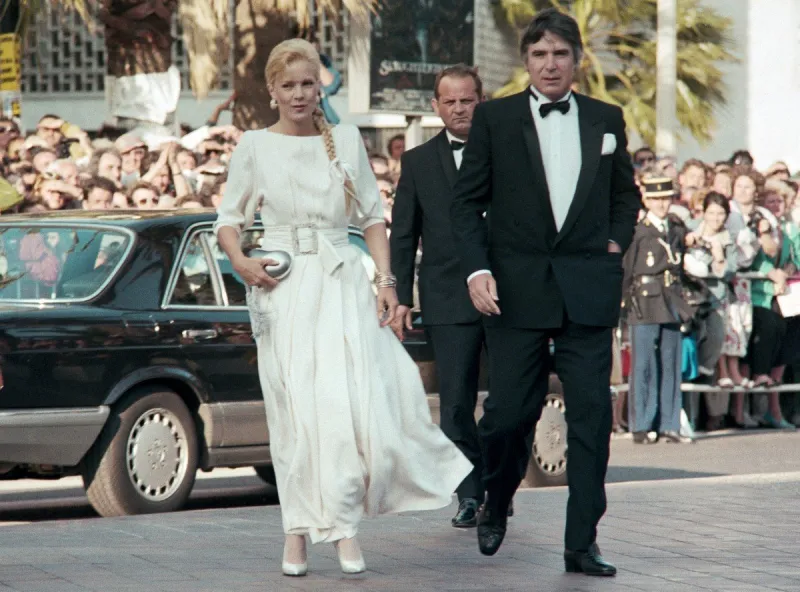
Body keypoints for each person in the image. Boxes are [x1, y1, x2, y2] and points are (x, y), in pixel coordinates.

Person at [214, 39, 471, 578]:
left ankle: (345, 528)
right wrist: (241, 261)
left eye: (308, 83)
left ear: (319, 87)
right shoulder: (255, 146)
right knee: (295, 418)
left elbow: (373, 218)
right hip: (282, 291)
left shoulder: (346, 139)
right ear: (272, 91)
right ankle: (297, 531)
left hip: (341, 286)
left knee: (351, 411)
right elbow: (228, 222)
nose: (300, 94)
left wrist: (386, 282)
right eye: (289, 85)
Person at [450, 8, 640, 576]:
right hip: (513, 293)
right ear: (525, 61)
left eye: (560, 54)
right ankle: (497, 495)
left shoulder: (607, 118)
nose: (550, 64)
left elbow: (625, 197)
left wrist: (613, 244)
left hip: (587, 292)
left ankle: (581, 542)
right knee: (508, 415)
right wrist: (476, 271)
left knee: (590, 419)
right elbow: (465, 204)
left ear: (577, 61)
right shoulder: (495, 119)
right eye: (539, 55)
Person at [391, 65, 506, 528]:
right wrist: (399, 294)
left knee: (507, 400)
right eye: (451, 101)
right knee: (456, 404)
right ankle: (469, 494)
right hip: (445, 298)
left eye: (468, 100)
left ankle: (499, 485)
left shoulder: (509, 153)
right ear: (435, 107)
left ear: (482, 101)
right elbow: (403, 235)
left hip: (506, 296)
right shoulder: (417, 162)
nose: (460, 109)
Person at [623, 177, 695, 445]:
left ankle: (669, 423)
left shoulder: (675, 229)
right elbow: (627, 270)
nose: (661, 204)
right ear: (646, 201)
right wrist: (622, 305)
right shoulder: (638, 232)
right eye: (655, 199)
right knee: (643, 365)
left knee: (670, 363)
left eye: (665, 198)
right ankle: (641, 424)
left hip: (670, 298)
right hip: (644, 300)